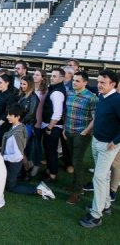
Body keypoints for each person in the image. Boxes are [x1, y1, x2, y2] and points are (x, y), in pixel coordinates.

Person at [80, 70, 120, 228]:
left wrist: (116, 141)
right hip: (96, 141)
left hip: (108, 145)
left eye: (103, 82)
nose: (99, 85)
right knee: (103, 177)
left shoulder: (117, 100)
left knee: (99, 177)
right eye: (98, 82)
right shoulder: (102, 96)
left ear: (113, 84)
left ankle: (96, 215)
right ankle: (105, 206)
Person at [2, 104, 56, 199]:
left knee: (11, 187)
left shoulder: (16, 134)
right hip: (11, 163)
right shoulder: (19, 127)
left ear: (17, 117)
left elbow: (17, 156)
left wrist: (2, 157)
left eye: (10, 115)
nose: (7, 117)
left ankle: (39, 190)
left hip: (12, 164)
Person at [64, 71, 98, 205]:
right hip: (68, 131)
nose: (74, 82)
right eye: (74, 80)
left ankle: (78, 191)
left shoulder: (92, 98)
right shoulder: (70, 93)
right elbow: (67, 112)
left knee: (77, 161)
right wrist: (64, 129)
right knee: (73, 160)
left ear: (85, 82)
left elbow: (95, 119)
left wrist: (85, 132)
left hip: (81, 134)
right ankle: (75, 185)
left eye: (78, 81)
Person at [42, 68, 66, 182]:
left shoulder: (57, 92)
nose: (51, 78)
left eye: (55, 76)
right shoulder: (55, 89)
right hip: (52, 126)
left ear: (62, 78)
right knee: (49, 150)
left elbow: (57, 113)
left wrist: (49, 127)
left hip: (53, 127)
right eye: (51, 75)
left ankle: (52, 175)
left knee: (51, 151)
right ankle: (49, 171)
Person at [18, 75, 39, 176]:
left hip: (26, 126)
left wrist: (19, 122)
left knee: (22, 149)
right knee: (21, 149)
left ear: (30, 85)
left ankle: (26, 170)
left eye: (24, 84)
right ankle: (23, 169)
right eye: (21, 83)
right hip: (20, 124)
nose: (22, 86)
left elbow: (31, 113)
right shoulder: (23, 95)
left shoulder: (33, 97)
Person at [0, 73, 18, 146]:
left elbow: (6, 113)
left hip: (2, 126)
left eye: (0, 82)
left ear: (7, 83)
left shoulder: (10, 97)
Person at [31, 69, 47, 176]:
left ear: (42, 78)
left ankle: (36, 165)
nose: (34, 76)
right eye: (34, 74)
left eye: (37, 75)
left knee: (36, 144)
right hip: (28, 120)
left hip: (38, 122)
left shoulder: (45, 92)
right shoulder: (30, 88)